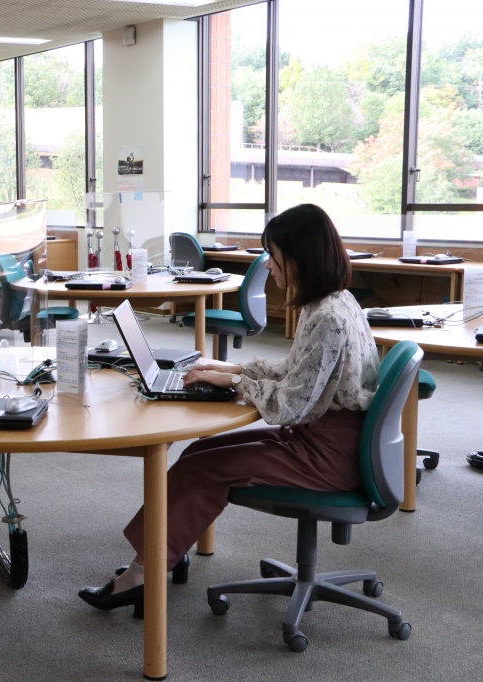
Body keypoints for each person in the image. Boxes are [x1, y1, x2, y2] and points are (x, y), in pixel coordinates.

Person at [79, 203, 381, 616]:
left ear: (299, 259)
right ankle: (166, 551)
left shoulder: (327, 317)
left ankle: (141, 577)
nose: (270, 267)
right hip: (327, 436)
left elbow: (290, 405)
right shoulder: (333, 302)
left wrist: (237, 382)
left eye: (274, 257)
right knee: (199, 453)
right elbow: (300, 372)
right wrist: (233, 368)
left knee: (201, 468)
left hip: (327, 455)